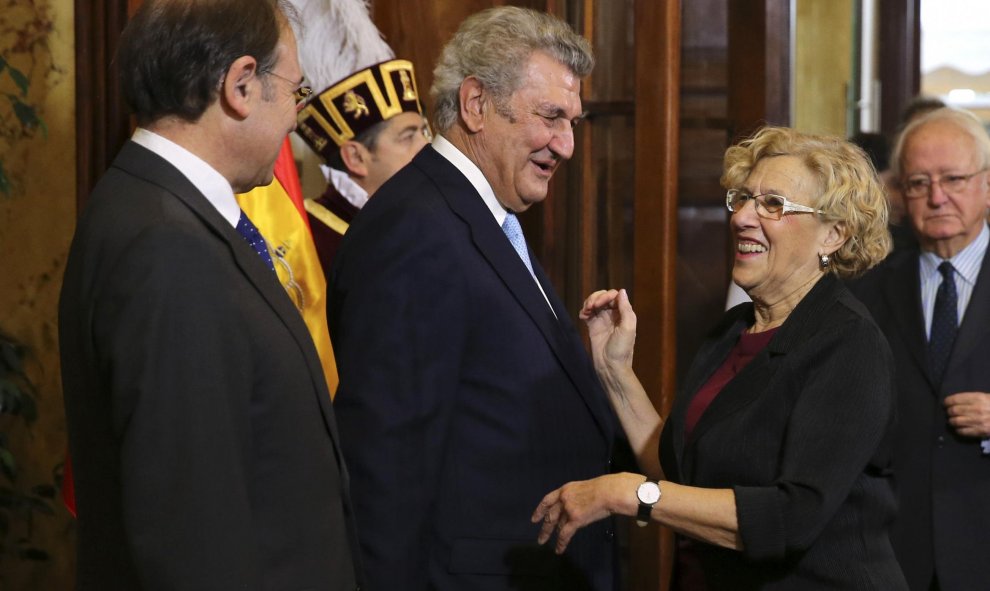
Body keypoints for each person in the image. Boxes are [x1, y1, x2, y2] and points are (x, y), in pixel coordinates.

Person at [58, 1, 360, 588]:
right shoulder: (167, 248)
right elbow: (189, 535)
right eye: (295, 94)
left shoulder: (155, 207)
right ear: (242, 85)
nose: (296, 121)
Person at [534, 127, 908, 589]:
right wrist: (615, 371)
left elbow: (790, 517)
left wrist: (625, 493)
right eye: (743, 199)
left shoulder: (849, 344)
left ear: (833, 235)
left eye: (773, 204)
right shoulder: (731, 331)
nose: (744, 218)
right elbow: (678, 477)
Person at [328, 6, 617, 590]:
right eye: (550, 118)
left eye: (574, 123)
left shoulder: (484, 215)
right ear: (476, 104)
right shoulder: (415, 230)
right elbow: (388, 468)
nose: (566, 146)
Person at [850, 107, 990, 591]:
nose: (937, 197)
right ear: (899, 194)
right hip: (893, 554)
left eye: (953, 178)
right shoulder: (864, 293)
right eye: (917, 183)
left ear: (987, 184)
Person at [296, 59, 431, 274]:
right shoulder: (307, 237)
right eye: (408, 137)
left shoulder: (426, 214)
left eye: (424, 132)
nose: (426, 146)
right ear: (356, 157)